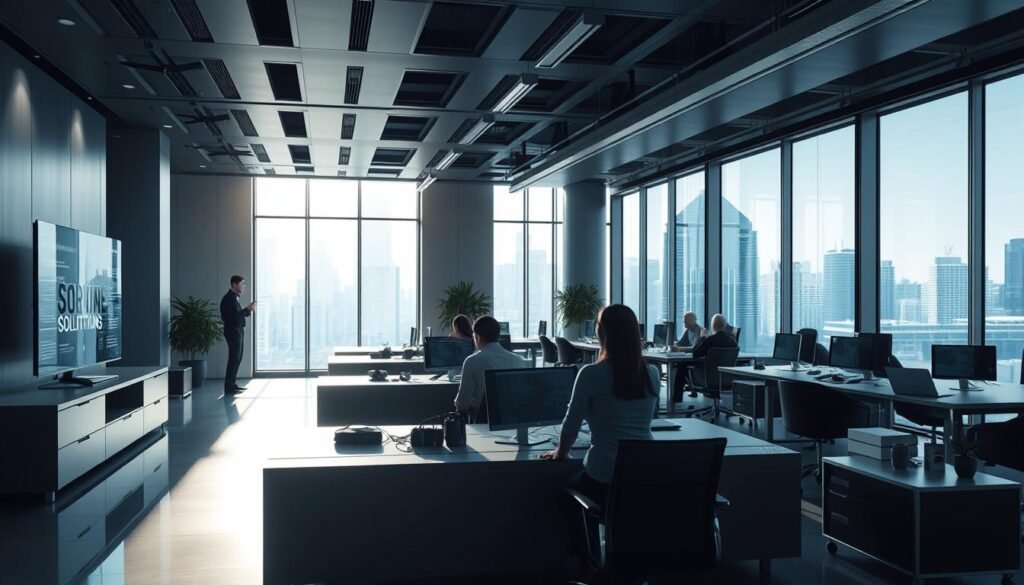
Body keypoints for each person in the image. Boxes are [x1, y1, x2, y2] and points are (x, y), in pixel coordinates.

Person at [540, 304, 660, 509]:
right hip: (644, 471)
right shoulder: (652, 373)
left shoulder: (591, 373)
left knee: (559, 495)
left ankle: (588, 541)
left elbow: (572, 423)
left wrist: (561, 451)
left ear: (601, 332)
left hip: (603, 474)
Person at [454, 316, 526, 422]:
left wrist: (456, 403)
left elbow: (462, 405)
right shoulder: (518, 360)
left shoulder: (472, 361)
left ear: (477, 337)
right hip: (514, 421)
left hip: (482, 422)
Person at [220, 275, 254, 395]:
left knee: (237, 359)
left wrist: (247, 311)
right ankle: (229, 387)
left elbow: (237, 315)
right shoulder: (229, 298)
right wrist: (246, 310)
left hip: (237, 331)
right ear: (234, 284)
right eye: (242, 283)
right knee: (234, 359)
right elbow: (233, 317)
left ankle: (232, 385)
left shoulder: (234, 298)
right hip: (233, 332)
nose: (244, 286)